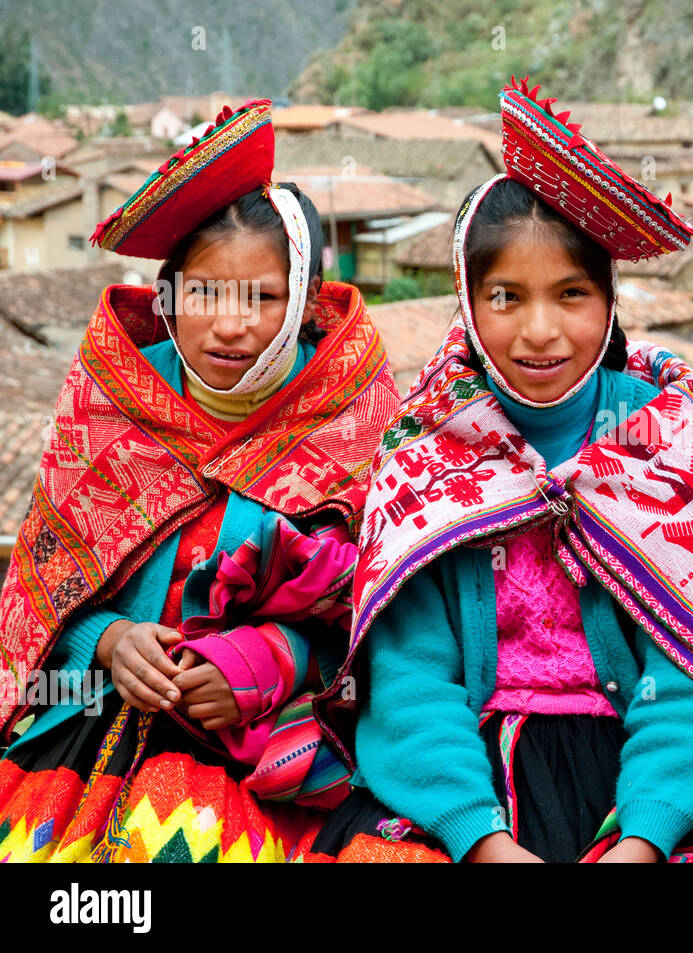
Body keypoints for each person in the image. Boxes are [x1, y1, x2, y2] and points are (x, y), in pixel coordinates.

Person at [307, 77, 693, 863]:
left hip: (644, 778)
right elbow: (412, 683)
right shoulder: (424, 453)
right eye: (507, 296)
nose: (541, 329)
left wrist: (645, 835)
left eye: (571, 294)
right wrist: (478, 837)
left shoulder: (668, 440)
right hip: (461, 786)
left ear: (611, 300)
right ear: (468, 300)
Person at [0, 99, 400, 862]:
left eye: (264, 298)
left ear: (307, 305)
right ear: (168, 293)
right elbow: (38, 592)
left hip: (287, 757)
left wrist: (272, 658)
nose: (229, 324)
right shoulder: (108, 408)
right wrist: (109, 640)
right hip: (91, 737)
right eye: (205, 292)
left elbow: (400, 621)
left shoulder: (360, 422)